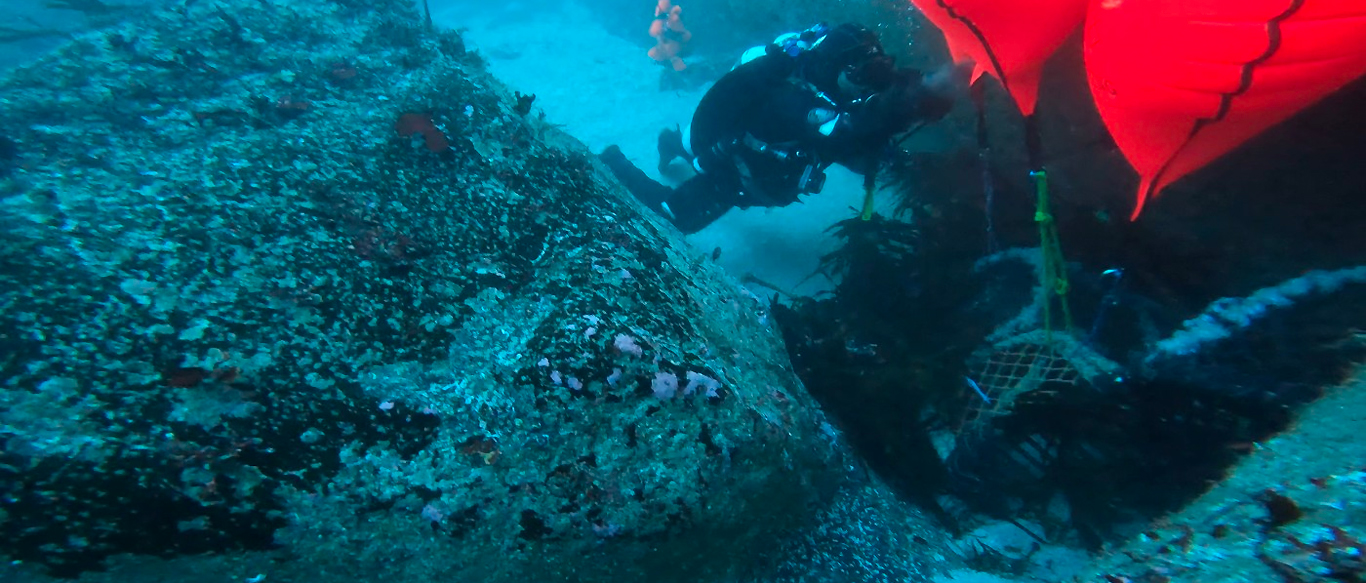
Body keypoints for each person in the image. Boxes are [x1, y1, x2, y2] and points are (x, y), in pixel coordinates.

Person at [599, 23, 970, 234]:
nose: (868, 84)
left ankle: (671, 143)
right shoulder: (795, 101)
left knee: (689, 146)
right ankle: (612, 162)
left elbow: (866, 121)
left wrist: (934, 86)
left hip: (743, 149)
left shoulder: (828, 86)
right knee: (675, 217)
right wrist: (917, 101)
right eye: (862, 74)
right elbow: (846, 132)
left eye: (875, 72)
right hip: (733, 169)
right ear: (834, 67)